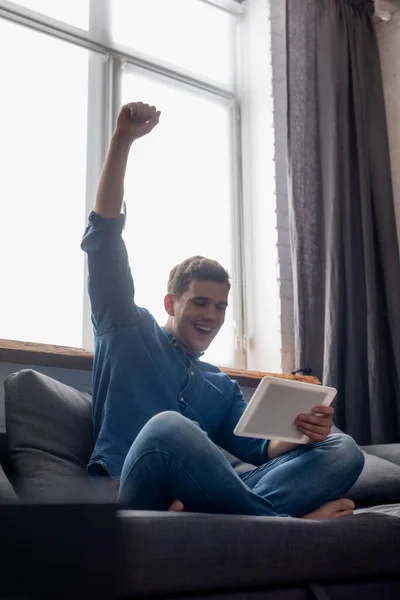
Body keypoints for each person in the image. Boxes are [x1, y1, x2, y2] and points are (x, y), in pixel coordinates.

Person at [81, 101, 364, 519]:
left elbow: (261, 449)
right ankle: (291, 529)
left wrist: (306, 433)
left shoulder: (220, 386)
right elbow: (103, 240)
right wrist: (122, 142)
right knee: (170, 426)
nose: (211, 315)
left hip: (201, 501)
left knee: (344, 449)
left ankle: (241, 524)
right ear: (170, 303)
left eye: (220, 306)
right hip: (134, 489)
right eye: (199, 302)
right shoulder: (126, 328)